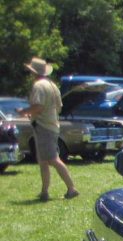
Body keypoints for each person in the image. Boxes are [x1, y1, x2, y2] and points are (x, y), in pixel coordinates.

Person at [17, 57, 78, 201]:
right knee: (43, 160)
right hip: (51, 125)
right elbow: (59, 106)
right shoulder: (52, 85)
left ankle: (71, 188)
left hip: (43, 126)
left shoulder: (38, 86)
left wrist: (24, 111)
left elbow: (38, 107)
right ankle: (44, 192)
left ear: (34, 72)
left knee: (52, 159)